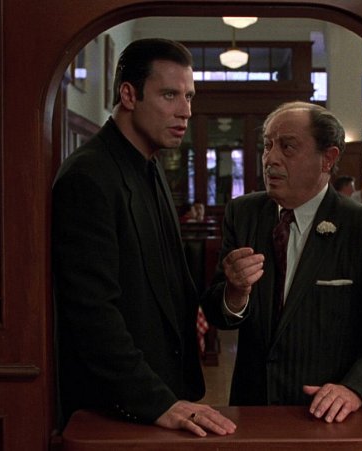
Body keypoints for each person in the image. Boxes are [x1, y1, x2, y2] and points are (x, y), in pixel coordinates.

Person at [52, 38, 236, 437]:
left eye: (189, 96)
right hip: (118, 405)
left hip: (163, 393)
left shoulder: (149, 165)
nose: (185, 111)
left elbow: (169, 285)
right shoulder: (88, 176)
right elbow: (91, 313)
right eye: (169, 95)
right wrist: (157, 402)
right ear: (128, 95)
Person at [200, 101, 362, 424]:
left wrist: (355, 388)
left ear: (328, 158)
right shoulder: (243, 214)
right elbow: (216, 312)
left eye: (287, 147)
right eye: (267, 145)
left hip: (328, 417)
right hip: (252, 411)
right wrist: (235, 293)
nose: (270, 158)